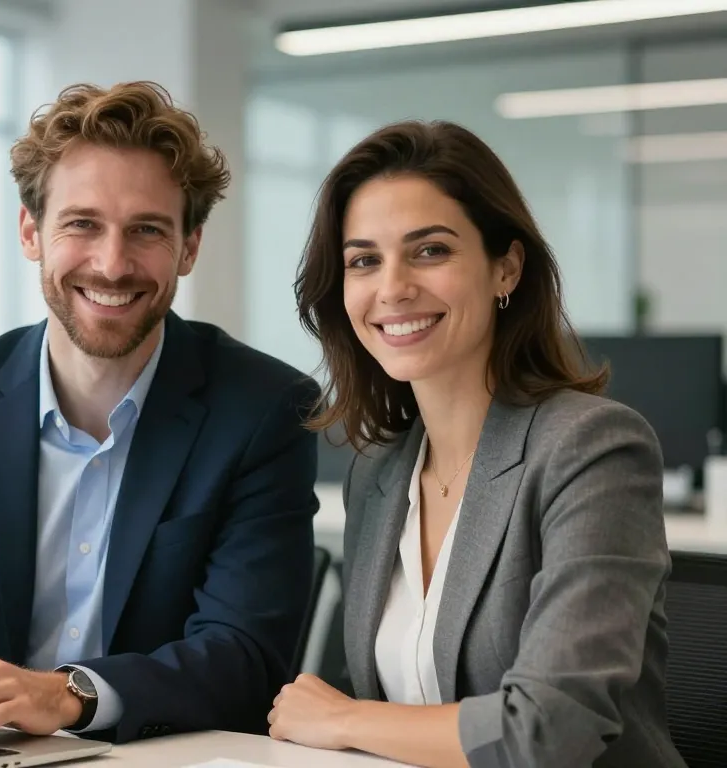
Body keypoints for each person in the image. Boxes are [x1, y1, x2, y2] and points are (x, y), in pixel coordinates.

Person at [0, 81, 320, 747]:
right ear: (32, 231)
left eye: (147, 230)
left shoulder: (260, 409)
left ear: (190, 247)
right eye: (82, 224)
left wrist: (70, 693)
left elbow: (245, 656)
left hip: (166, 758)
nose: (112, 264)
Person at [267, 120, 686, 768]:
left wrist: (346, 718)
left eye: (429, 250)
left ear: (505, 267)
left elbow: (548, 730)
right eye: (363, 260)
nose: (393, 286)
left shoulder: (592, 451)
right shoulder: (378, 474)